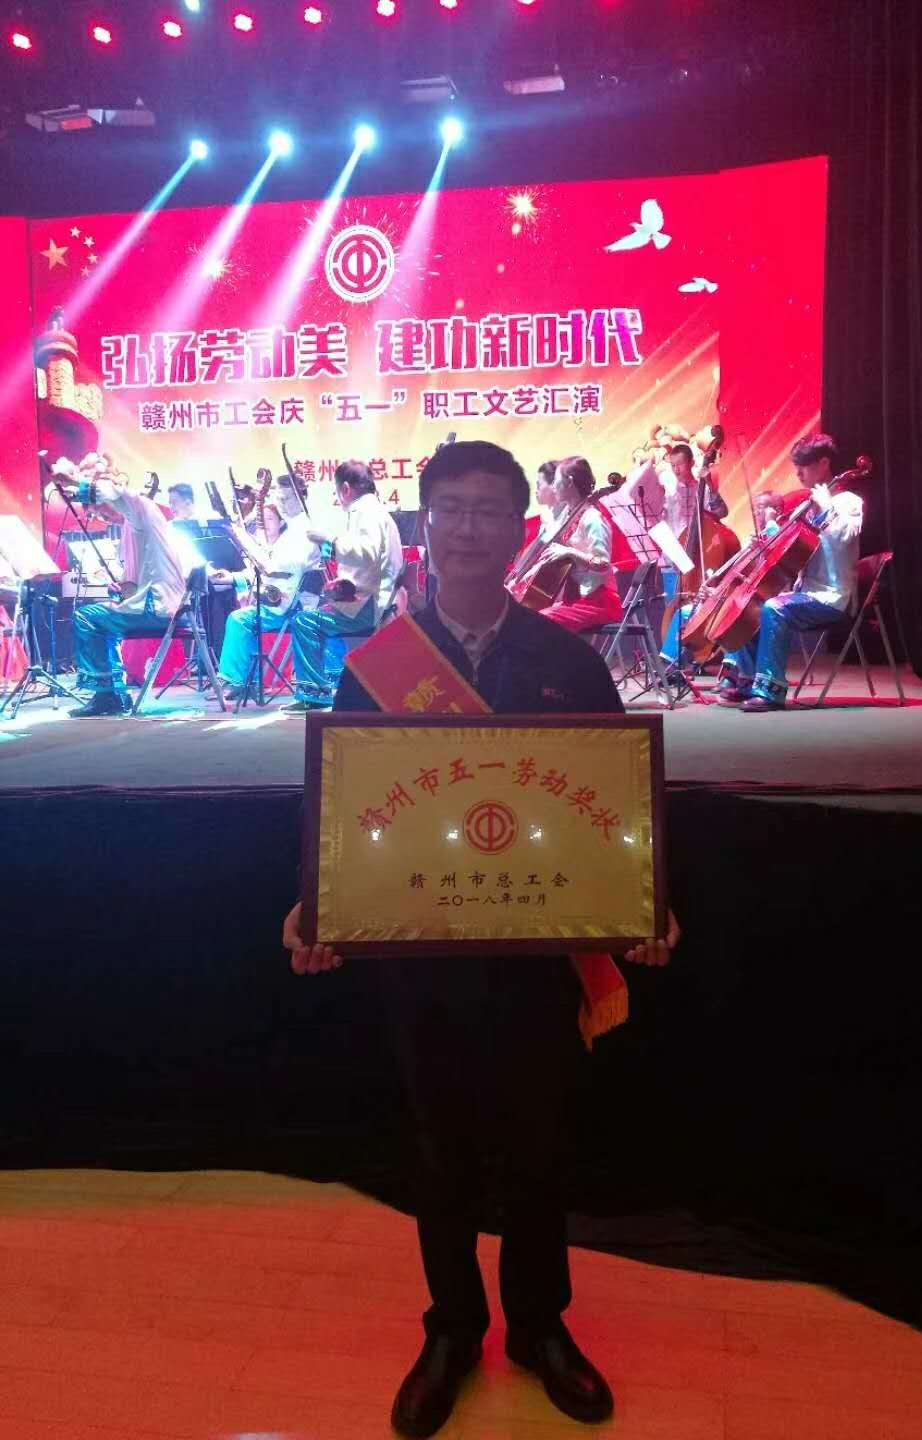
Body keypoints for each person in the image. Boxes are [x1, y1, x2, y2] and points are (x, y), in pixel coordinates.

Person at [283, 439, 678, 1439]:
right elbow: (345, 806)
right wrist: (315, 904)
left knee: (540, 1147)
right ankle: (454, 1329)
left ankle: (540, 1327)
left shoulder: (567, 660)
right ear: (428, 524)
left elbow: (617, 801)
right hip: (424, 952)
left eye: (488, 510)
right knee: (440, 1150)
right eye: (451, 509)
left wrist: (647, 897)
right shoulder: (378, 667)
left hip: (535, 954)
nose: (468, 528)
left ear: (517, 529)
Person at [717, 432, 864, 711]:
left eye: (803, 466)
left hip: (832, 597)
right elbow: (796, 551)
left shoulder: (848, 502)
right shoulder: (808, 508)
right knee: (748, 606)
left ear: (823, 463)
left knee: (775, 608)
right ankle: (746, 681)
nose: (798, 473)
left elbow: (844, 537)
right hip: (805, 593)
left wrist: (827, 506)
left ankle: (770, 692)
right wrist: (769, 537)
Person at [52, 455, 188, 718]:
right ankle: (114, 691)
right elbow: (137, 582)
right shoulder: (135, 524)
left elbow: (114, 492)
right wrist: (125, 587)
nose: (99, 515)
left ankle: (106, 695)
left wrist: (74, 481)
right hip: (160, 605)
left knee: (86, 617)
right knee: (101, 620)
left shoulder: (140, 509)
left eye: (99, 508)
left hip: (157, 607)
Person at [284, 459, 403, 713]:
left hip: (372, 608)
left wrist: (328, 539)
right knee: (326, 611)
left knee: (305, 622)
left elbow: (367, 553)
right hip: (376, 601)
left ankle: (315, 693)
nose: (339, 499)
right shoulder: (375, 510)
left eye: (338, 492)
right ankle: (336, 683)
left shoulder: (364, 512)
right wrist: (342, 585)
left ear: (346, 488)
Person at [215, 499, 321, 699]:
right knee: (242, 619)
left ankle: (235, 681)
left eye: (270, 518)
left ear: (281, 522)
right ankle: (248, 682)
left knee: (238, 619)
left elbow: (275, 571)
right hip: (268, 603)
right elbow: (254, 573)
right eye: (261, 519)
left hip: (286, 606)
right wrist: (231, 578)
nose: (264, 523)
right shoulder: (265, 546)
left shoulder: (292, 544)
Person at [527, 456, 622, 633]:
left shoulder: (592, 518)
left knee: (540, 622)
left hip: (598, 601)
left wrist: (571, 553)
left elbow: (603, 563)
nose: (553, 487)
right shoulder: (568, 516)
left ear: (570, 482)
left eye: (556, 481)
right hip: (576, 598)